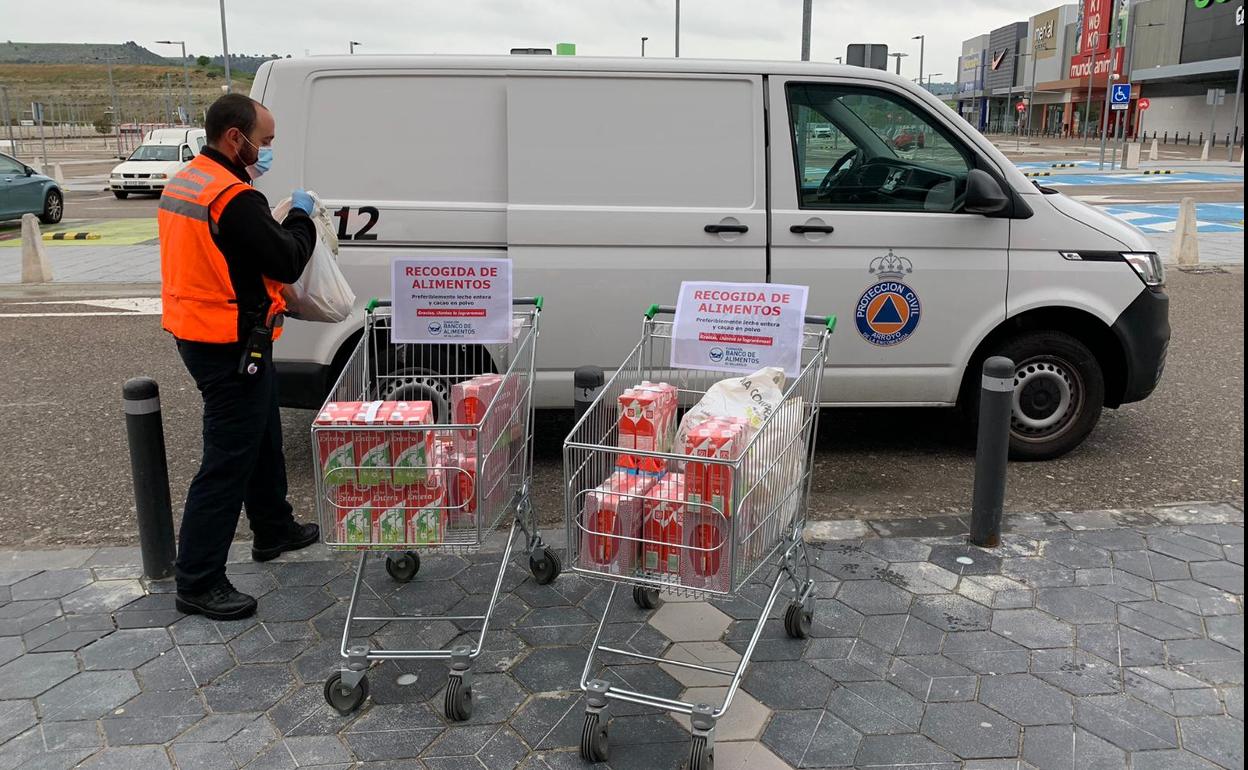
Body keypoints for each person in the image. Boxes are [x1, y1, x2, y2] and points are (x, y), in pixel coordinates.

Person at [159, 93, 319, 620]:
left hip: (202, 332)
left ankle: (273, 528)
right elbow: (289, 259)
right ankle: (199, 579)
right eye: (265, 141)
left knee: (262, 432)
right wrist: (301, 216)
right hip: (229, 343)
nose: (266, 150)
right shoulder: (232, 196)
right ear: (236, 137)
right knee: (227, 458)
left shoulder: (188, 180)